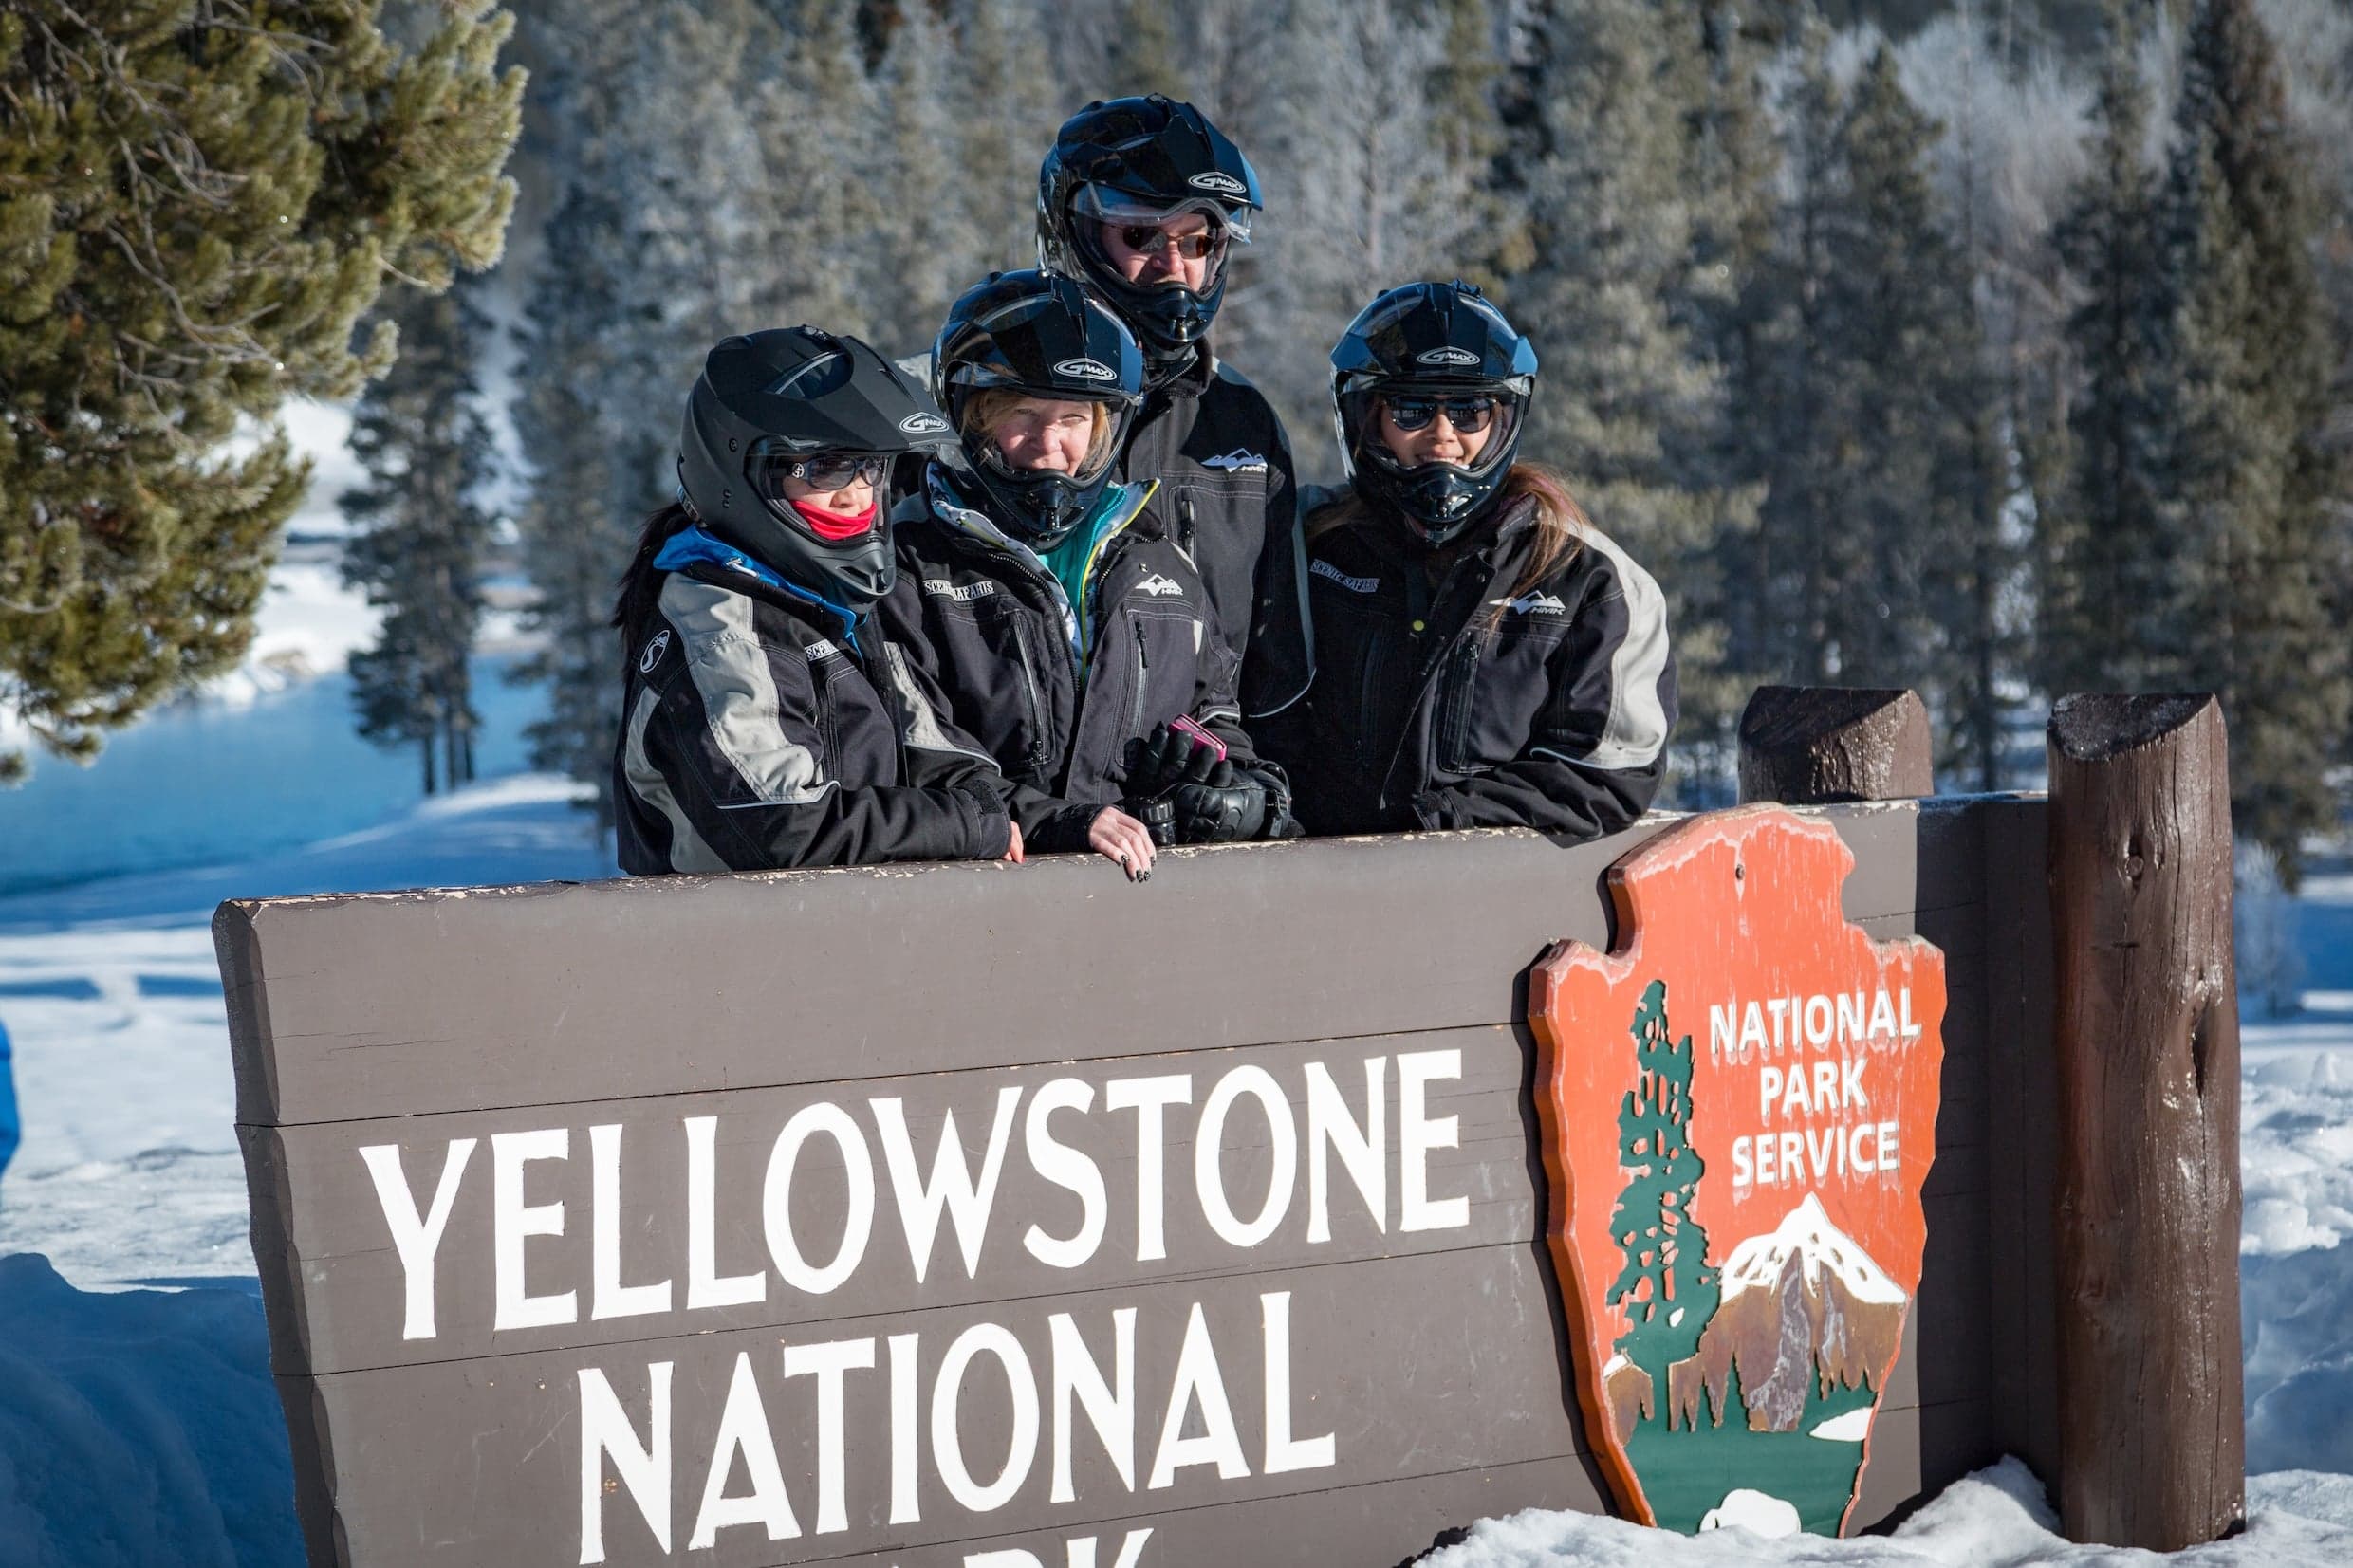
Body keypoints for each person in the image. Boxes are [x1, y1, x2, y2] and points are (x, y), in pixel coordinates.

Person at [880, 270, 1296, 882]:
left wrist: (1241, 792)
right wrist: (1057, 820)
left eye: (1074, 418)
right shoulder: (909, 564)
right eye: (1021, 412)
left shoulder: (1155, 563)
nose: (1049, 443)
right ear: (970, 418)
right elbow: (919, 752)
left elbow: (1211, 710)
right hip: (975, 895)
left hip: (1133, 895)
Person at [1262, 280, 1676, 839]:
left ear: (1503, 418)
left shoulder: (1591, 581)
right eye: (1411, 409)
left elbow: (1608, 771)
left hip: (1491, 895)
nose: (1443, 437)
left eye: (1468, 410)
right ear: (1367, 417)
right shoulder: (1305, 545)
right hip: (1313, 882)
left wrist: (1439, 826)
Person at [612, 327, 1021, 874]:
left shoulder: (831, 608)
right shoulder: (719, 626)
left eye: (871, 469)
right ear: (747, 475)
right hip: (730, 945)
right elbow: (783, 825)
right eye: (829, 467)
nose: (857, 493)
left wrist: (1057, 822)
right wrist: (971, 826)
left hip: (840, 934)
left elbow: (940, 760)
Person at [1036, 95, 1311, 725]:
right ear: (1070, 232)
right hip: (1049, 803)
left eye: (1197, 242)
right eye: (1140, 236)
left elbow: (1280, 674)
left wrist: (1256, 787)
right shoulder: (992, 405)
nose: (1174, 270)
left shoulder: (1242, 423)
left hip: (1213, 789)